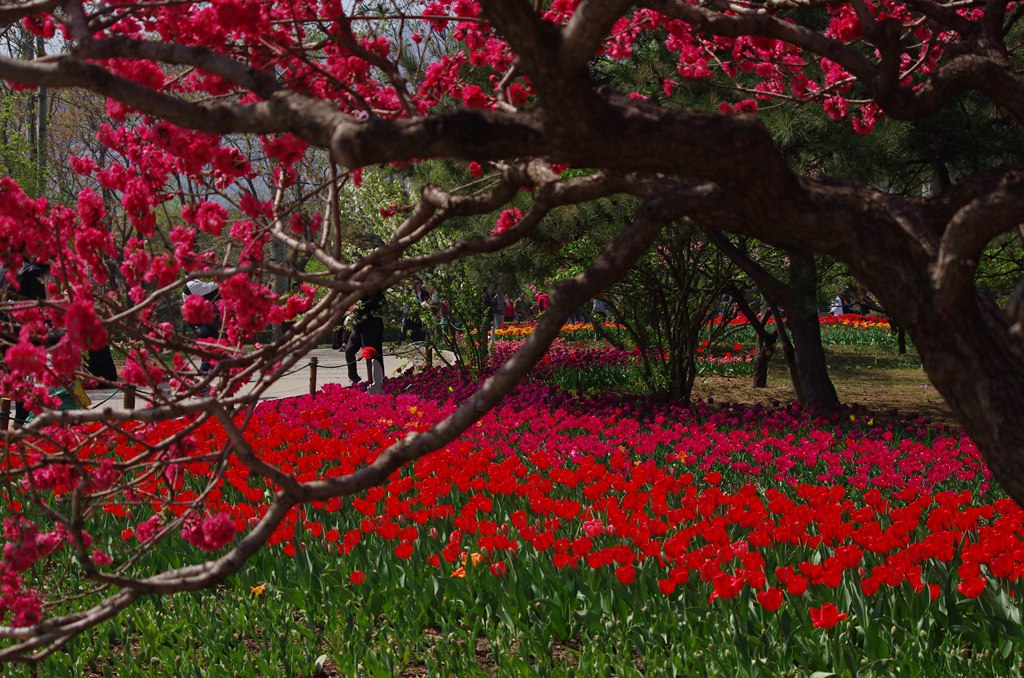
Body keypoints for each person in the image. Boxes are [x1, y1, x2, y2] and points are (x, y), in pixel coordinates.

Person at [345, 289, 385, 385]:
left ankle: (377, 380)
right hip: (358, 324)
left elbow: (375, 300)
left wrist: (358, 307)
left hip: (372, 325)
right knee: (349, 350)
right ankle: (354, 378)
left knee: (373, 354)